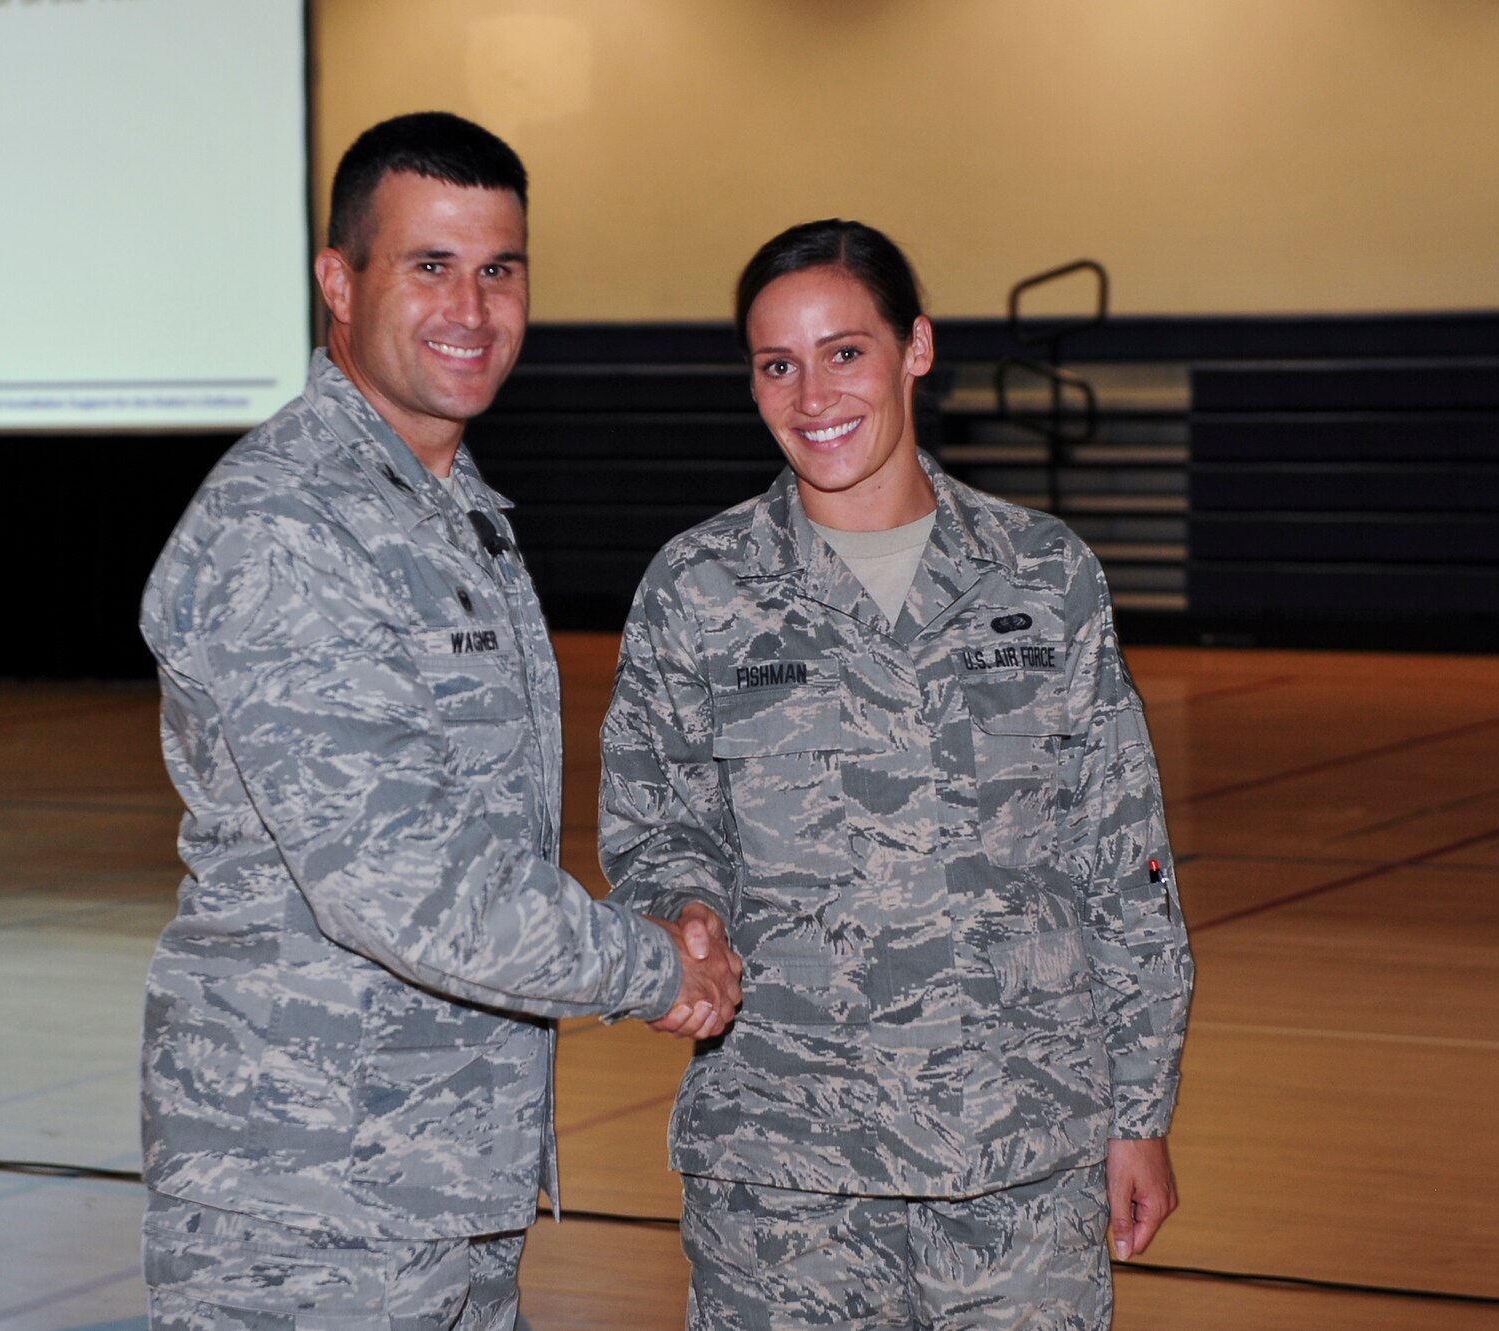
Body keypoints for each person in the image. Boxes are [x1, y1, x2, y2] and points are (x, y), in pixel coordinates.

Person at [136, 111, 742, 1331]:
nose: (471, 307)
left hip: (431, 1182)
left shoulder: (449, 508)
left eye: (498, 269)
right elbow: (402, 880)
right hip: (308, 1204)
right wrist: (646, 967)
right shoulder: (287, 527)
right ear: (337, 279)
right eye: (429, 265)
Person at [599, 219, 1193, 1330]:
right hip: (784, 1169)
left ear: (914, 347)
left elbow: (1121, 857)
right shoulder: (697, 585)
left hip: (1016, 1158)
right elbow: (654, 822)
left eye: (843, 351)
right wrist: (682, 909)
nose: (810, 392)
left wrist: (1138, 1107)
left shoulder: (1041, 573)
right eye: (775, 363)